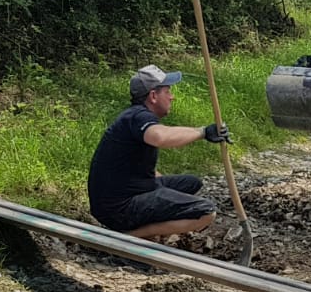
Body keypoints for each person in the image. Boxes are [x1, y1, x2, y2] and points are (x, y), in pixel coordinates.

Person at [87, 64, 230, 239]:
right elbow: (160, 137)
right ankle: (131, 236)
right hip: (118, 208)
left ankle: (147, 226)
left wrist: (164, 193)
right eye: (167, 91)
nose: (172, 97)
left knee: (191, 183)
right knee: (206, 212)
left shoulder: (134, 117)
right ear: (153, 96)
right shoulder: (139, 117)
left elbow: (136, 163)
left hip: (121, 196)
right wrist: (203, 132)